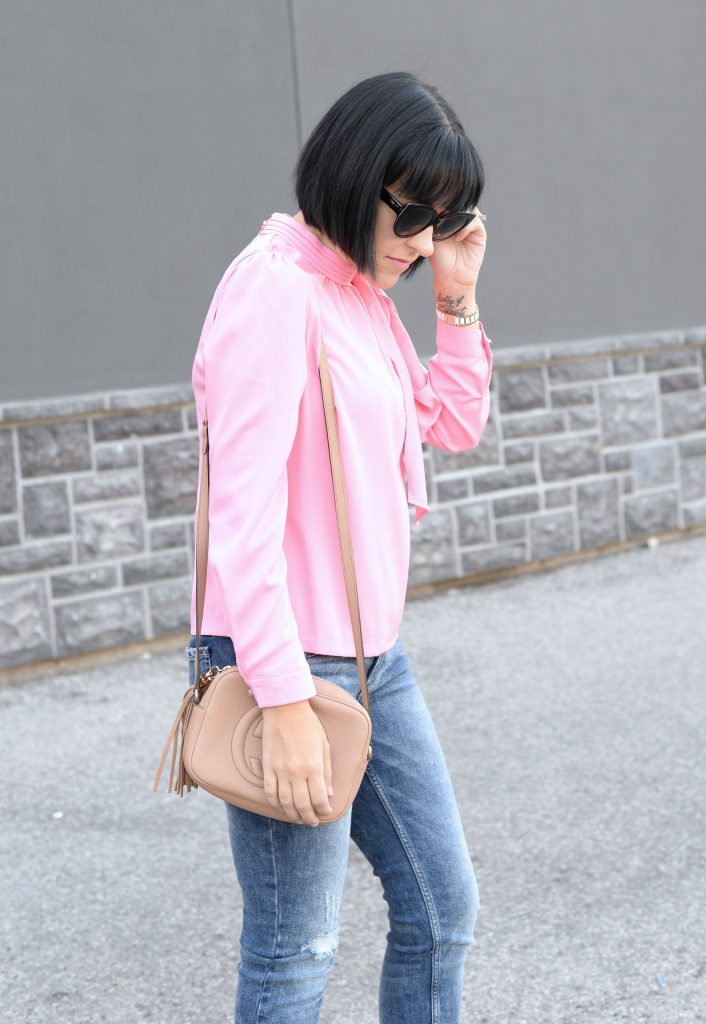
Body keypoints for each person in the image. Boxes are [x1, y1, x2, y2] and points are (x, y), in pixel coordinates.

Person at [186, 70, 493, 1024]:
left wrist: (456, 299)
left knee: (443, 908)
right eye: (412, 216)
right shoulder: (275, 292)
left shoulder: (361, 292)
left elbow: (447, 424)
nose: (420, 241)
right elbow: (241, 517)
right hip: (289, 666)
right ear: (357, 175)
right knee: (294, 953)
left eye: (442, 222)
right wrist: (281, 703)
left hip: (373, 662)